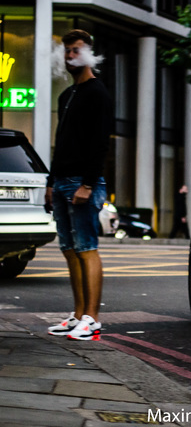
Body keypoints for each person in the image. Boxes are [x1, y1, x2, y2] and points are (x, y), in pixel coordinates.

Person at [45, 29, 113, 341]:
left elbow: (100, 143)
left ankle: (93, 318)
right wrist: (50, 182)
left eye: (75, 50)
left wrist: (86, 184)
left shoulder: (97, 92)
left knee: (87, 248)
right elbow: (61, 142)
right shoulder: (67, 95)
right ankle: (77, 315)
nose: (70, 56)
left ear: (89, 54)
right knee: (70, 250)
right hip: (61, 181)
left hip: (82, 182)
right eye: (67, 51)